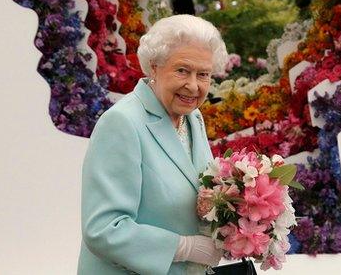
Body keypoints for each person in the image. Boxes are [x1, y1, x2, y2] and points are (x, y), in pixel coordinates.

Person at [78, 15, 228, 274]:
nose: (193, 85)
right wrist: (183, 247)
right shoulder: (122, 122)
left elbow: (197, 189)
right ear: (154, 67)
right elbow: (103, 229)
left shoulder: (193, 118)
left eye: (203, 74)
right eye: (182, 70)